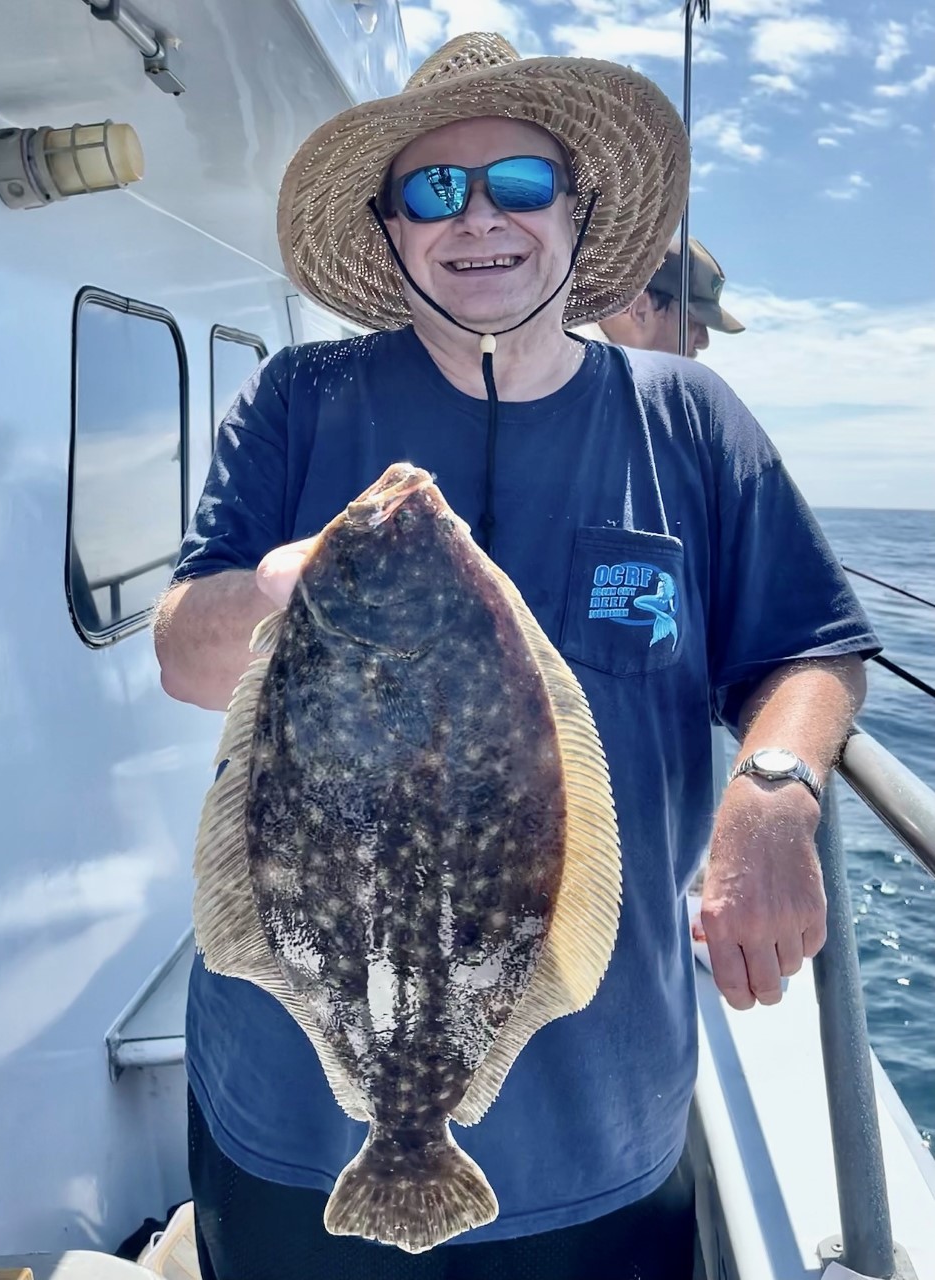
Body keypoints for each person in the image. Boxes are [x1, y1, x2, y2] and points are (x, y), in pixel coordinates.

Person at [153, 31, 878, 1280]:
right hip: (291, 1119)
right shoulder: (300, 397)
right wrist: (287, 586)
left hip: (604, 1118)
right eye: (436, 188)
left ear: (577, 212)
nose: (478, 217)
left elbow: (811, 647)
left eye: (521, 183)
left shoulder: (688, 419)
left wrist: (776, 787)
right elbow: (179, 650)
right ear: (390, 227)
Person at [578, 236, 744, 358]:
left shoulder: (591, 364)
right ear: (640, 309)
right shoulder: (581, 368)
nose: (704, 341)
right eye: (693, 322)